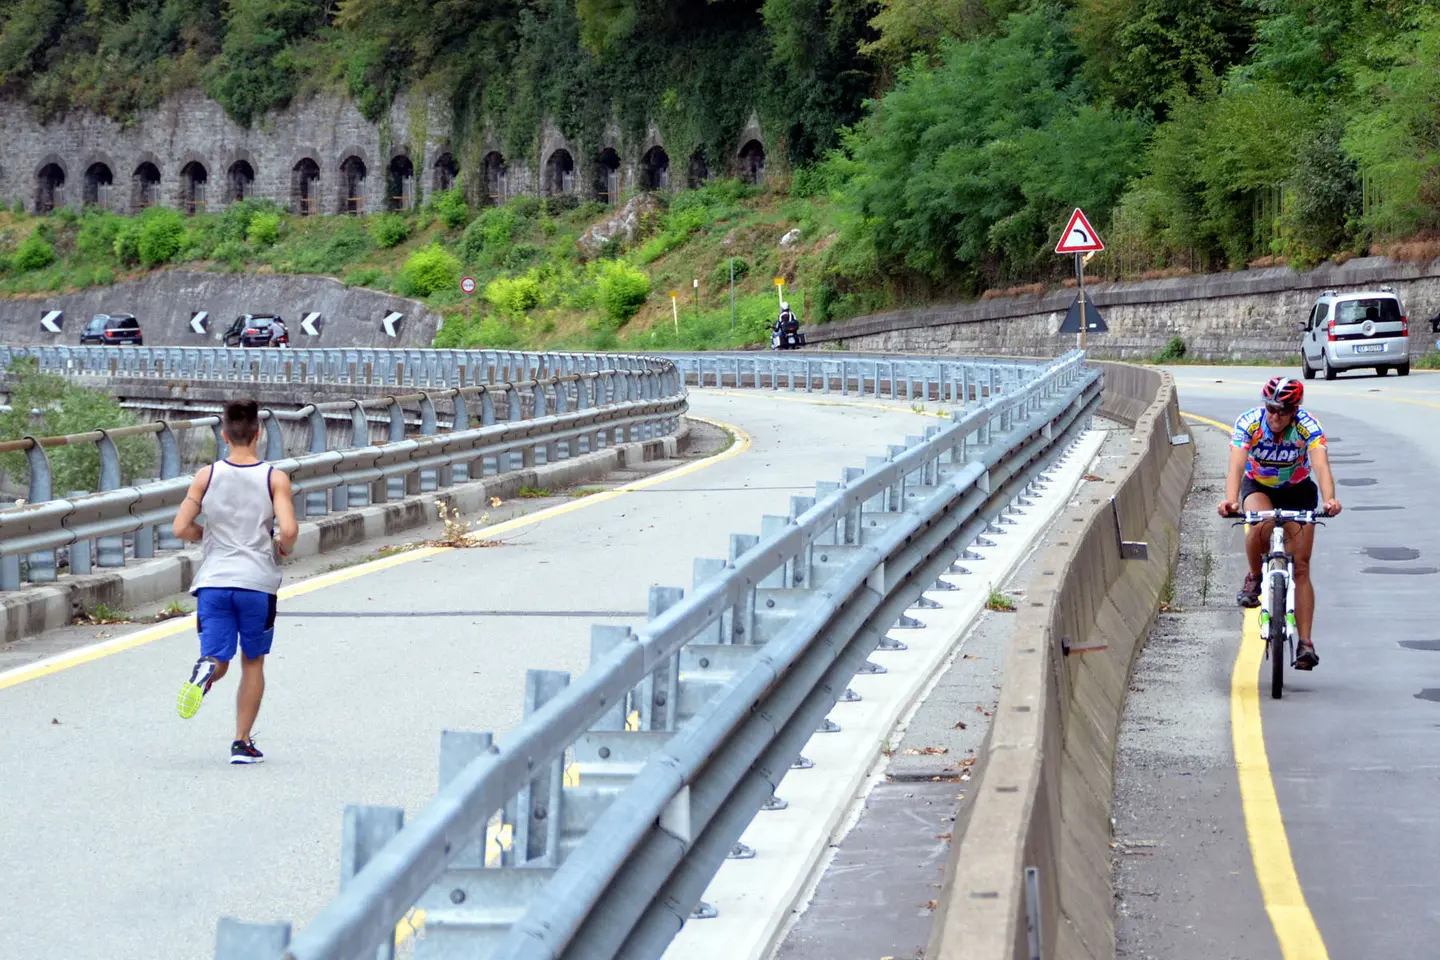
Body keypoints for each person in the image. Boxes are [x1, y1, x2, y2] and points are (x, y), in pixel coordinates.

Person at [172, 399, 298, 763]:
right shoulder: (275, 477)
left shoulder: (206, 476)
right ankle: (242, 743)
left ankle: (206, 670)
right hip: (256, 582)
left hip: (214, 581)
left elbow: (181, 527)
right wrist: (281, 546)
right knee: (253, 661)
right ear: (258, 435)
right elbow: (288, 529)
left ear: (224, 435)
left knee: (217, 656)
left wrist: (207, 536)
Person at [1217, 377, 1341, 670]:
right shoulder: (1249, 423)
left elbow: (1321, 464)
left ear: (1295, 409)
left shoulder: (1307, 426)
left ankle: (1306, 643)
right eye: (1271, 409)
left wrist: (1330, 499)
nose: (1275, 416)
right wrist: (1230, 500)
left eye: (1283, 411)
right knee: (1262, 522)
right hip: (1258, 485)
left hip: (1298, 489)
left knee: (1300, 565)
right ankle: (1254, 577)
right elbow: (1236, 463)